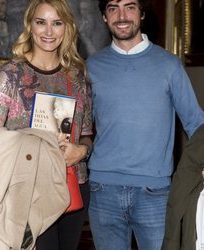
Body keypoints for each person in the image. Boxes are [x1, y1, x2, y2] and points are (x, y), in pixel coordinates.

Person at [86, 0, 204, 249]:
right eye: (113, 8)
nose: (121, 16)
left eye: (130, 7)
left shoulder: (169, 65)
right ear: (105, 17)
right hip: (103, 189)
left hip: (155, 192)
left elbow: (196, 123)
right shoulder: (91, 67)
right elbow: (80, 126)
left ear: (141, 15)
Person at [0, 0, 93, 249]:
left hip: (72, 185)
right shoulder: (9, 76)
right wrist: (39, 145)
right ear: (30, 26)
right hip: (30, 190)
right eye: (41, 22)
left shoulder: (77, 77)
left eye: (57, 23)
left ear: (67, 28)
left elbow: (86, 134)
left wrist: (81, 151)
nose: (49, 32)